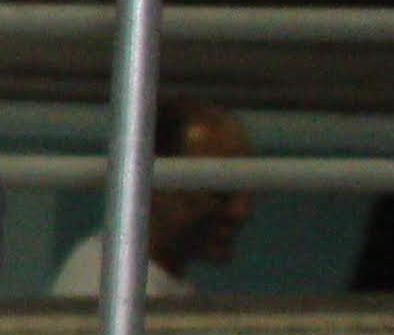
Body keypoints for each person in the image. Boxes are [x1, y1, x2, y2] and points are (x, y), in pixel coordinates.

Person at [49, 94, 253, 298]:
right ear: (153, 185)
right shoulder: (106, 284)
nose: (240, 211)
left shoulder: (148, 278)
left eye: (246, 189)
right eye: (219, 192)